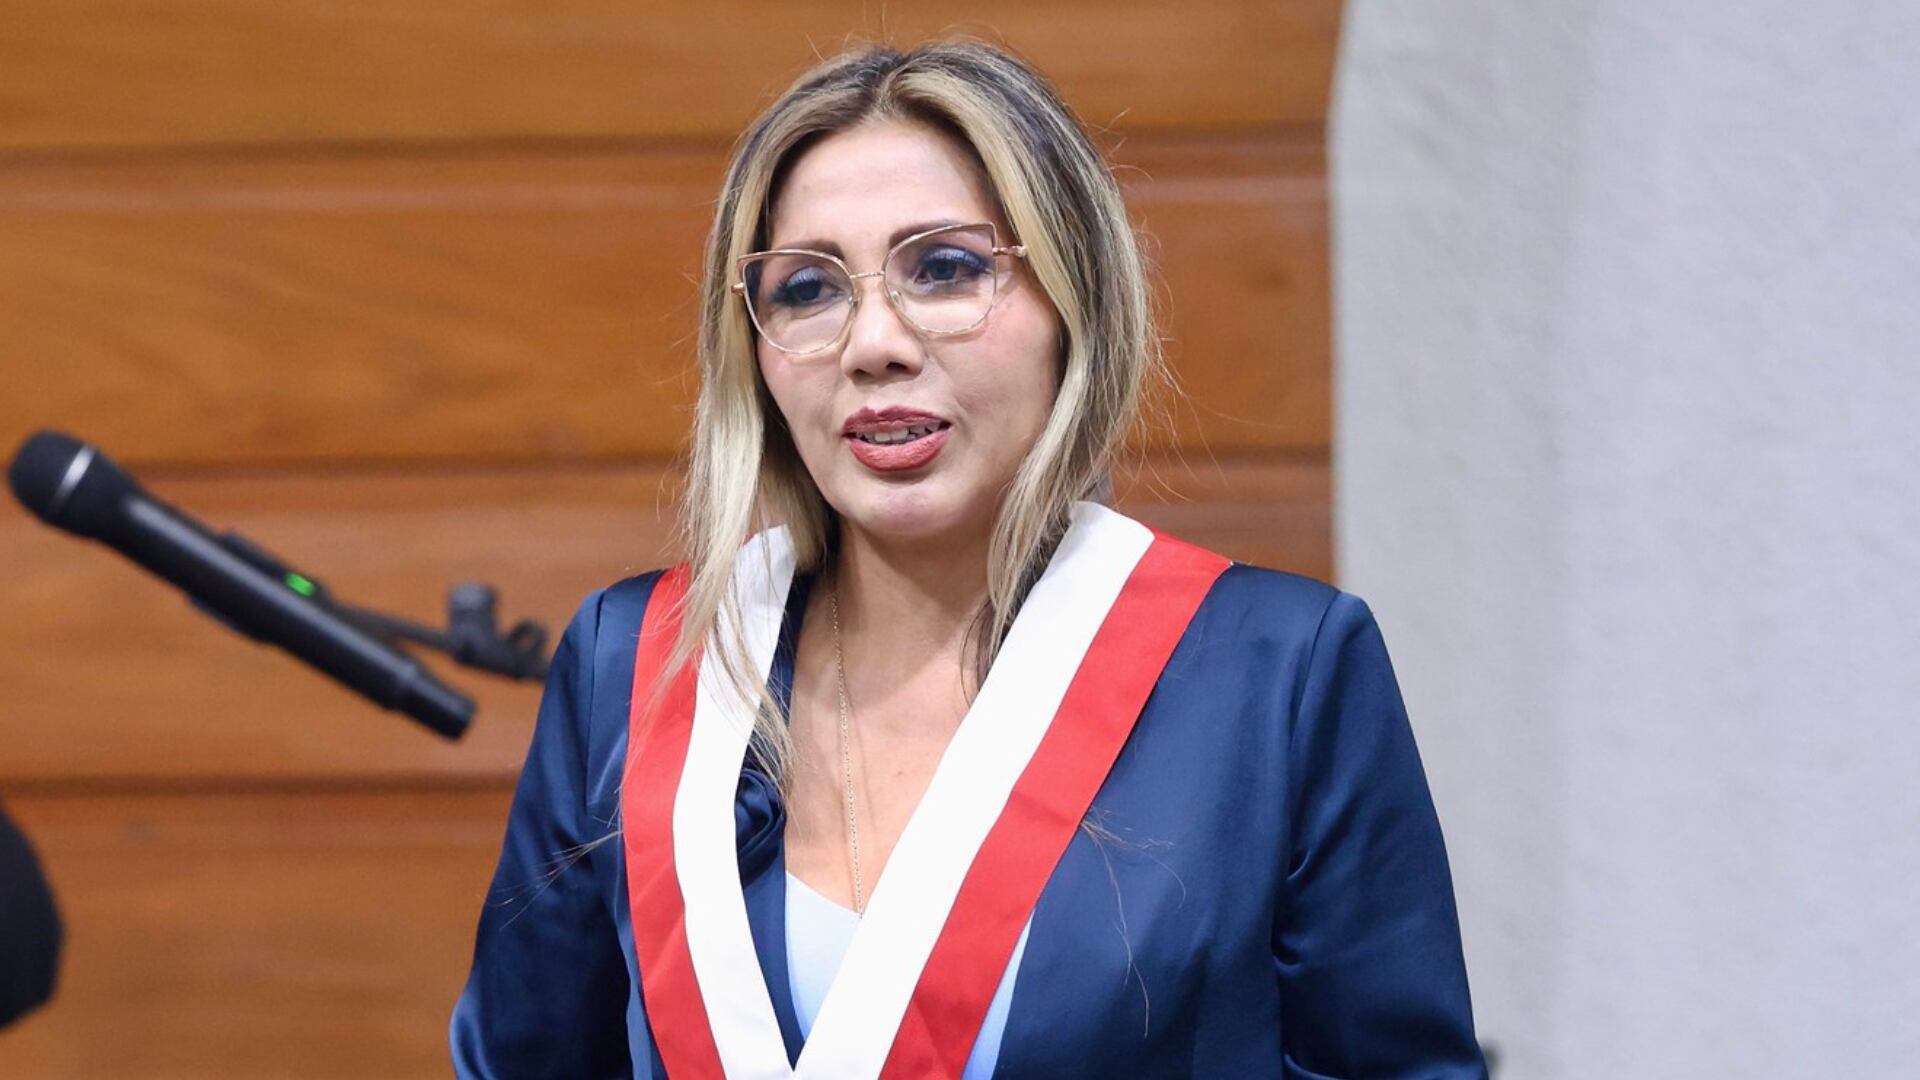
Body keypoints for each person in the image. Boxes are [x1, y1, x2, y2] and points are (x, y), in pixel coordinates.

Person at [451, 39, 1486, 1079]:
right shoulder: (639, 662)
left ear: (1072, 306)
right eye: (808, 289)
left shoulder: (1280, 670)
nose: (873, 343)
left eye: (944, 269)